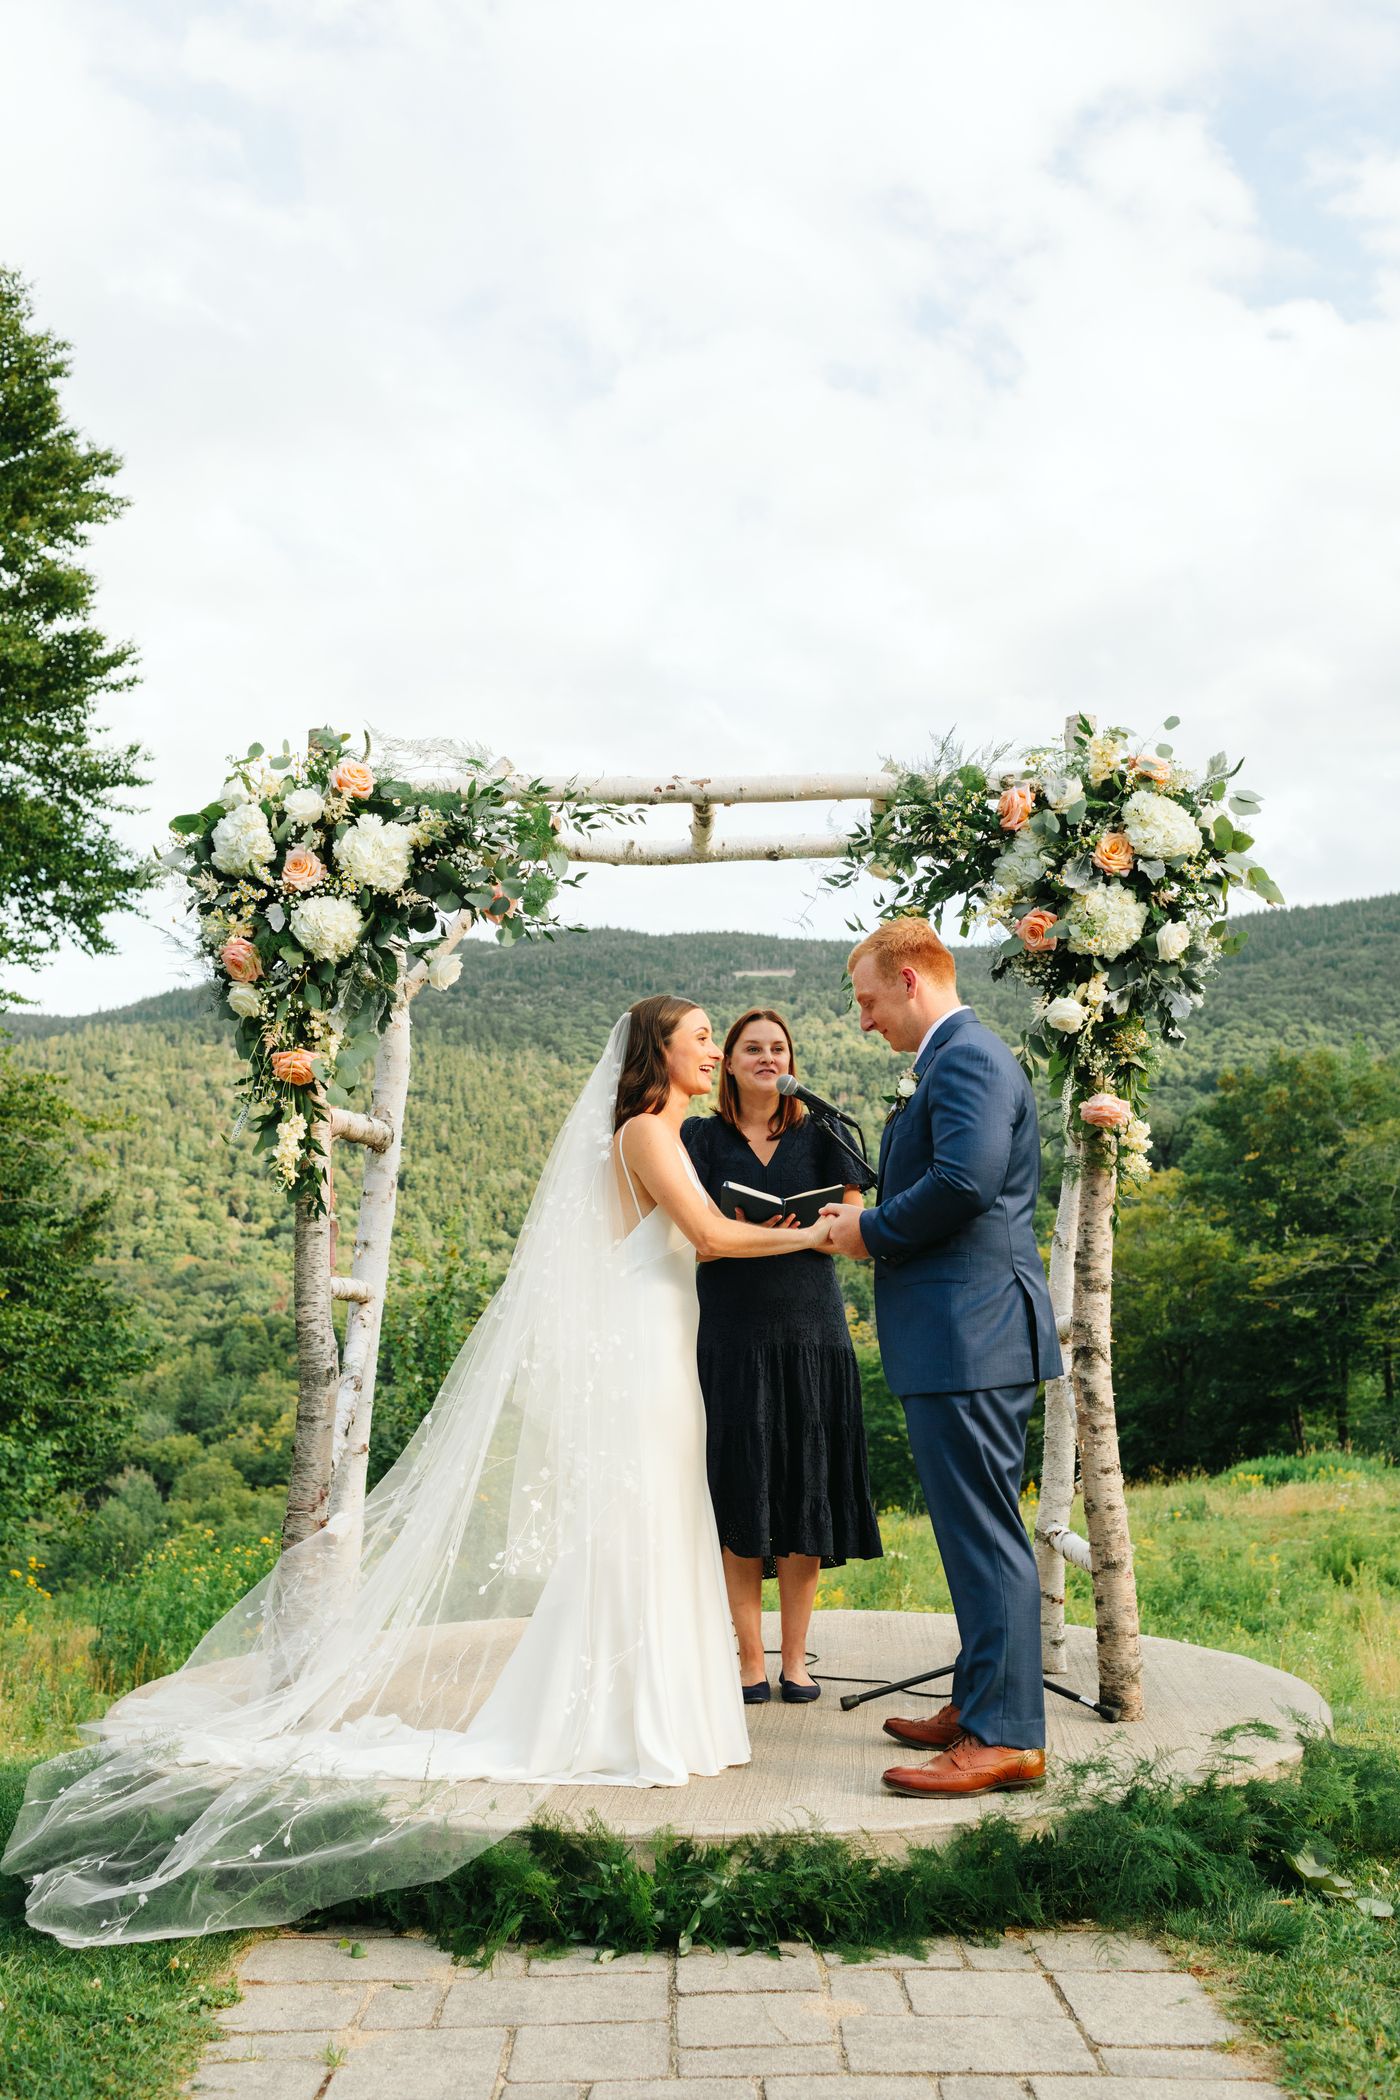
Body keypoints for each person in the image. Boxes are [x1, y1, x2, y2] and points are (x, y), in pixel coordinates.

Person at [5, 998, 832, 1948]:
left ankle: (663, 1711)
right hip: (643, 1351)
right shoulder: (648, 1132)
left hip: (663, 1339)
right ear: (662, 1052)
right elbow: (717, 1241)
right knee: (641, 1521)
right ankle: (622, 1718)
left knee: (663, 1518)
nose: (710, 1051)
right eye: (697, 1038)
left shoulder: (670, 1132)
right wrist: (815, 1237)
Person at [820, 919, 1061, 1799]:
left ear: (913, 979)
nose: (865, 1019)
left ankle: (1006, 1738)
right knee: (972, 1536)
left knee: (986, 1535)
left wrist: (867, 1232)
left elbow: (964, 1183)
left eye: (870, 999)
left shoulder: (968, 1058)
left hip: (974, 1330)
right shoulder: (958, 1057)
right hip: (960, 1332)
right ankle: (979, 1702)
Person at [682, 1008, 882, 1705]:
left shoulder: (823, 1131)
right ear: (730, 1064)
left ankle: (795, 1660)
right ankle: (748, 1660)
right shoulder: (699, 1137)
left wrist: (812, 1227)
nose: (766, 1057)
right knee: (742, 1492)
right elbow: (698, 1232)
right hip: (732, 1332)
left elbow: (851, 1228)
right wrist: (738, 1229)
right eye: (751, 1048)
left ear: (790, 1060)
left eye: (778, 1048)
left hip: (812, 1330)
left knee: (804, 1493)